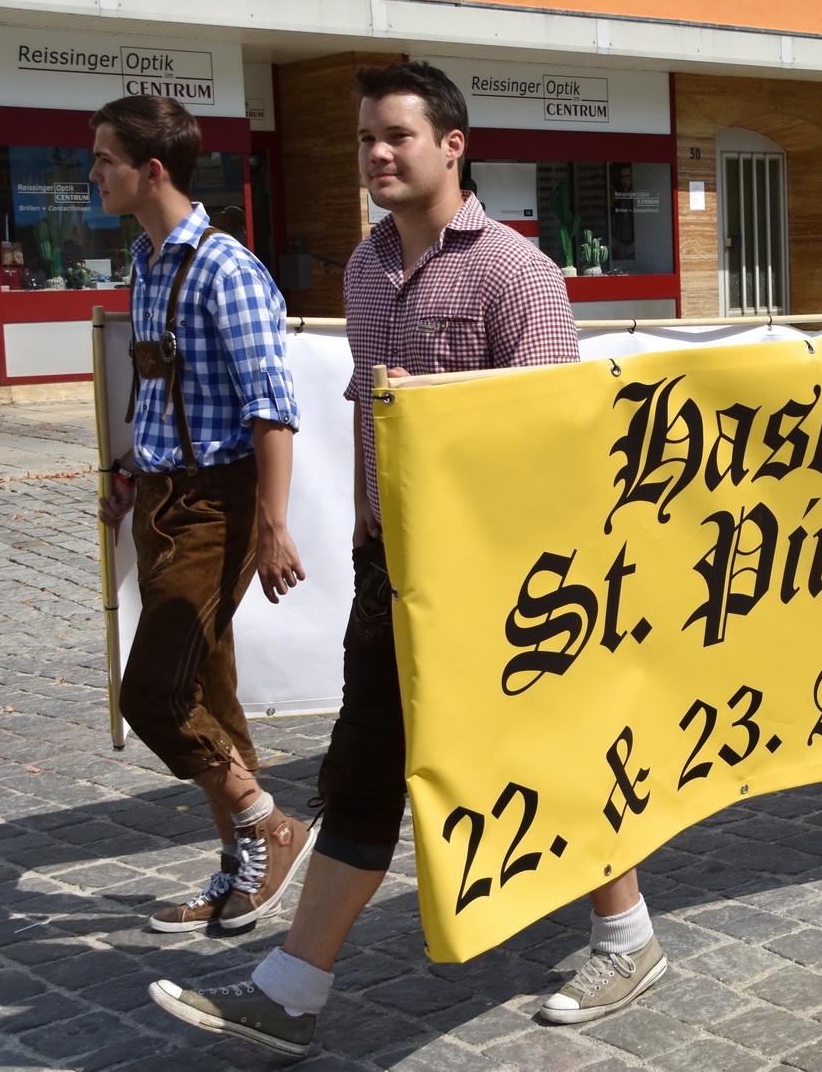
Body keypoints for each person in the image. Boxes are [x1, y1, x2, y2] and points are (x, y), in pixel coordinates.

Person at [147, 62, 666, 1057]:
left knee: (549, 760)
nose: (376, 155)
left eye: (397, 136)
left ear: (452, 147)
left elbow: (554, 444)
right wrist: (364, 530)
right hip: (398, 578)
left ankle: (627, 935)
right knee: (366, 770)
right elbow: (367, 418)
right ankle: (293, 988)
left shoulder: (517, 274)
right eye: (364, 139)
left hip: (505, 583)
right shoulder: (364, 267)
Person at [90, 95, 311, 935]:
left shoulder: (227, 268)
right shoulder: (147, 263)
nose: (93, 172)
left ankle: (268, 826)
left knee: (151, 691)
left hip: (216, 504)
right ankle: (241, 870)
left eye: (105, 158)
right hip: (160, 499)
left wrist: (273, 523)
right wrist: (129, 473)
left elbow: (272, 408)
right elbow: (160, 392)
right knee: (209, 694)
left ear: (151, 170)